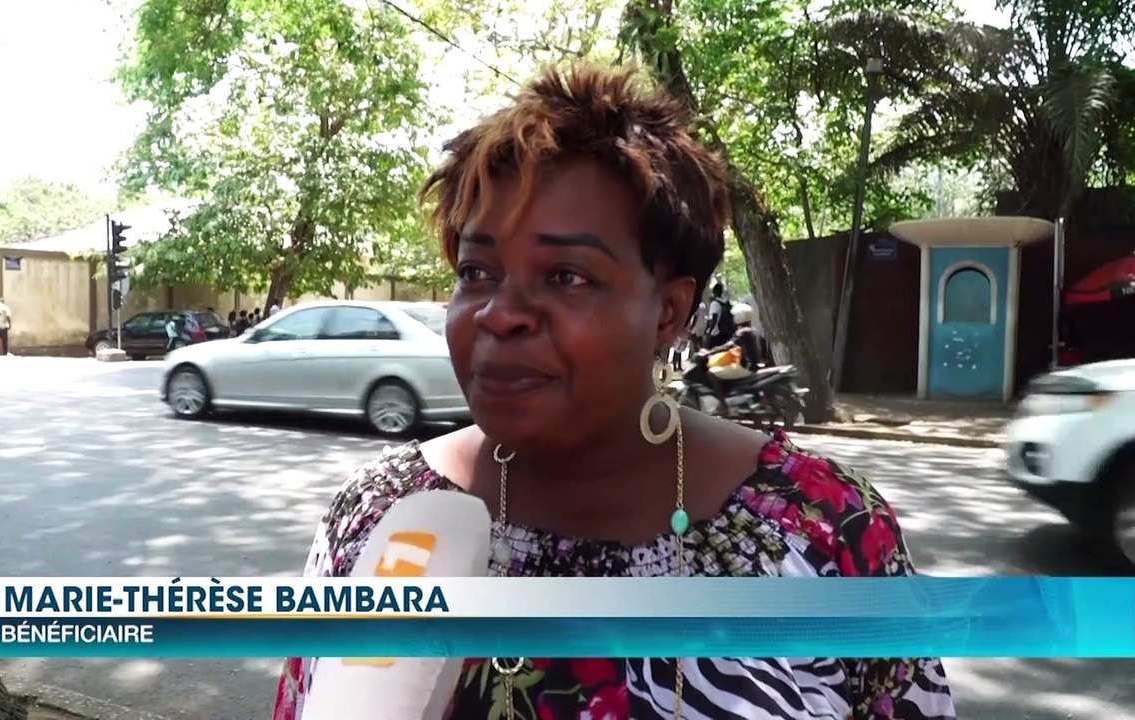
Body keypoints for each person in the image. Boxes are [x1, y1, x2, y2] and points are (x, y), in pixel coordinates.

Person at [272, 63, 955, 720]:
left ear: (669, 311)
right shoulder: (378, 517)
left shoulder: (826, 530)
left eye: (567, 276)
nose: (499, 313)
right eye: (477, 272)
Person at [705, 280, 734, 348]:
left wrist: (709, 332)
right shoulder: (726, 303)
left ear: (714, 292)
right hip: (726, 332)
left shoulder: (715, 303)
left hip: (716, 333)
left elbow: (714, 318)